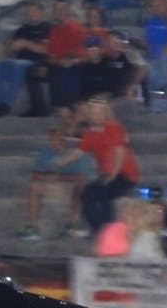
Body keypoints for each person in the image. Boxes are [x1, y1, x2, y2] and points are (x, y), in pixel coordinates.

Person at [54, 97, 139, 233]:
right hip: (107, 174)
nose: (95, 116)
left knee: (103, 191)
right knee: (86, 194)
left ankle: (109, 229)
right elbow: (79, 151)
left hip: (124, 174)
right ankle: (98, 228)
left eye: (98, 113)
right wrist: (61, 161)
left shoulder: (113, 128)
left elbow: (120, 152)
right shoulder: (90, 133)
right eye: (93, 113)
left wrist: (113, 174)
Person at [21, 124, 96, 239]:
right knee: (33, 185)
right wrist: (46, 177)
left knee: (82, 187)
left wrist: (58, 177)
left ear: (65, 138)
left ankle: (70, 226)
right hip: (50, 185)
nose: (56, 141)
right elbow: (34, 174)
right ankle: (30, 228)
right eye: (53, 137)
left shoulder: (77, 151)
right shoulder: (44, 152)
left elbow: (82, 176)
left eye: (60, 137)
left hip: (69, 185)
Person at [0, 0, 51, 118]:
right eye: (28, 11)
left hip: (37, 63)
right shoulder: (22, 30)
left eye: (33, 11)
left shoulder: (48, 28)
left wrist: (26, 44)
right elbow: (9, 52)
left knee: (18, 67)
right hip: (17, 61)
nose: (30, 14)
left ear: (41, 12)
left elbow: (46, 49)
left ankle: (6, 104)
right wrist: (9, 47)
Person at [47, 0, 87, 110]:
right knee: (48, 69)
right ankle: (56, 107)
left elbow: (79, 52)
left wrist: (63, 59)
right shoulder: (54, 30)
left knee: (67, 68)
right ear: (53, 13)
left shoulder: (76, 29)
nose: (60, 12)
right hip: (60, 62)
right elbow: (51, 54)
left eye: (62, 9)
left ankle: (68, 105)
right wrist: (57, 60)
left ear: (68, 11)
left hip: (78, 62)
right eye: (57, 9)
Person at [94, 197, 163, 260]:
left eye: (139, 215)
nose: (135, 219)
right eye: (132, 215)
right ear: (123, 216)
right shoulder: (114, 231)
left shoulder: (146, 234)